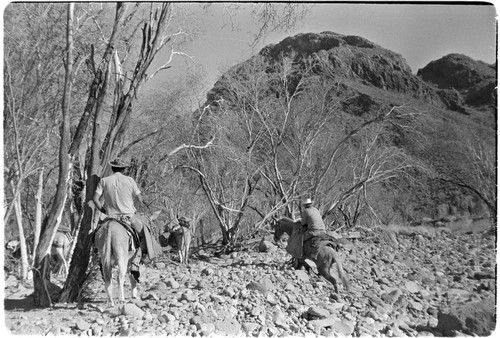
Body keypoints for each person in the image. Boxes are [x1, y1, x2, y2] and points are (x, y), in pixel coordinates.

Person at [92, 157, 145, 283]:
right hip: (128, 216)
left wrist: (104, 211)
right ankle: (136, 262)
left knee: (94, 237)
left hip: (110, 216)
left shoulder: (104, 181)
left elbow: (95, 199)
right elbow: (140, 200)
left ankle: (98, 258)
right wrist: (134, 210)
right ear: (125, 169)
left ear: (112, 168)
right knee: (145, 236)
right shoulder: (130, 180)